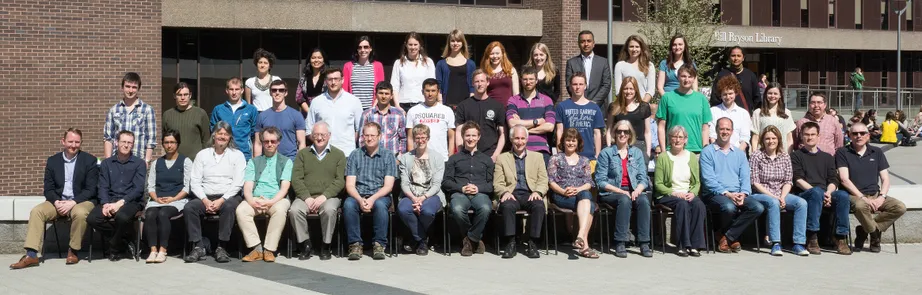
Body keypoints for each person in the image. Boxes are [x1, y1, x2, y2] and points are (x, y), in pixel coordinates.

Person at [10, 128, 98, 269]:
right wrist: (57, 202)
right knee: (37, 211)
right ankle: (31, 255)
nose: (73, 145)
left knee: (80, 213)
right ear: (63, 141)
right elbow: (48, 188)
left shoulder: (90, 161)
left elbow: (91, 189)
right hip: (58, 200)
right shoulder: (52, 161)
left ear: (81, 143)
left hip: (80, 201)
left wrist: (72, 203)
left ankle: (73, 251)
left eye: (77, 142)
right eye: (70, 141)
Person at [836, 122, 906, 253]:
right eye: (855, 133)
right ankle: (874, 236)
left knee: (899, 207)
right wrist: (862, 197)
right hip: (853, 196)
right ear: (849, 136)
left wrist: (882, 197)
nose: (859, 136)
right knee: (860, 206)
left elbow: (885, 179)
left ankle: (864, 230)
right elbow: (844, 180)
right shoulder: (842, 152)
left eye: (862, 133)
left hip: (875, 194)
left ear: (868, 136)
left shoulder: (877, 152)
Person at [183, 122, 246, 263]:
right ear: (214, 135)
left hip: (228, 196)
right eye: (219, 133)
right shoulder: (202, 155)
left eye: (226, 134)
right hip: (205, 196)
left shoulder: (237, 155)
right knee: (189, 207)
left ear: (230, 137)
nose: (222, 136)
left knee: (229, 207)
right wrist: (205, 200)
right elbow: (195, 181)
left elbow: (238, 183)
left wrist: (222, 200)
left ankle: (222, 247)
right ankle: (198, 246)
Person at [701, 118, 764, 253]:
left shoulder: (740, 154)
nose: (725, 132)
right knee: (729, 207)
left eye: (728, 129)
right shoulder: (707, 152)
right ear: (716, 130)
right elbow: (709, 180)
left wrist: (744, 193)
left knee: (757, 207)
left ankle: (726, 236)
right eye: (722, 129)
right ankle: (731, 237)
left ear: (732, 131)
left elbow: (745, 177)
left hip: (737, 193)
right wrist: (728, 194)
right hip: (715, 194)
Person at [791, 121, 852, 255]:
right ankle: (812, 236)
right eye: (806, 134)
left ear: (818, 136)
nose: (810, 137)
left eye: (813, 134)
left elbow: (833, 179)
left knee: (842, 195)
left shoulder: (827, 157)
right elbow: (798, 179)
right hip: (805, 193)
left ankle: (841, 237)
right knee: (816, 192)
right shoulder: (796, 156)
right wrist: (817, 192)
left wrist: (828, 193)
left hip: (825, 193)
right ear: (801, 136)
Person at [595, 120, 652, 258]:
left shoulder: (637, 153)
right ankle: (620, 241)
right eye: (619, 131)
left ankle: (644, 242)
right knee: (625, 200)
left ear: (630, 134)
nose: (622, 134)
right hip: (611, 191)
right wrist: (621, 191)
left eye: (625, 131)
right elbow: (600, 181)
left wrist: (638, 190)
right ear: (615, 133)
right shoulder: (606, 153)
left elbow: (643, 178)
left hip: (633, 189)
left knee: (643, 201)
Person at [289, 122, 345, 260]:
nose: (319, 138)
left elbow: (340, 181)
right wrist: (307, 197)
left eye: (323, 135)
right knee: (294, 210)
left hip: (329, 197)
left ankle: (326, 246)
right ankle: (306, 245)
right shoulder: (302, 154)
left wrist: (324, 197)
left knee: (330, 210)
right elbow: (296, 179)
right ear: (311, 136)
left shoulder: (338, 154)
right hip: (306, 196)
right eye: (316, 135)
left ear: (329, 136)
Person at [749, 126, 808, 256]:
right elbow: (755, 182)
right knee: (773, 203)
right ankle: (776, 243)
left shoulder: (785, 156)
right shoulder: (756, 156)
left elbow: (788, 181)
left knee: (801, 203)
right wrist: (775, 197)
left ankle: (798, 243)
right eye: (767, 138)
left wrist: (782, 196)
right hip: (761, 193)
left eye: (774, 138)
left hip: (781, 193)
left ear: (779, 140)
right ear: (762, 140)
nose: (771, 141)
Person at [88, 130, 146, 261]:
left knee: (122, 217)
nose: (126, 145)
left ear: (133, 145)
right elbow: (102, 186)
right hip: (110, 200)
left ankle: (114, 246)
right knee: (92, 219)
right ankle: (123, 240)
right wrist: (105, 204)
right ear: (116, 143)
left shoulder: (139, 163)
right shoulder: (106, 163)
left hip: (132, 201)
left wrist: (120, 203)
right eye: (123, 142)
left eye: (129, 143)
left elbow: (138, 189)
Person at [238, 127, 293, 263]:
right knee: (241, 210)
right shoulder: (253, 162)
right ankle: (256, 249)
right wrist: (252, 201)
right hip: (256, 198)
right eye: (266, 141)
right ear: (262, 142)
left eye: (273, 141)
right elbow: (248, 187)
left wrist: (271, 202)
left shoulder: (286, 162)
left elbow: (284, 188)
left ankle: (269, 249)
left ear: (278, 142)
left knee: (280, 210)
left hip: (277, 198)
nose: (269, 144)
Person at [344, 122, 398, 260]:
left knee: (380, 205)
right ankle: (355, 244)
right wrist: (360, 199)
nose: (369, 138)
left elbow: (388, 186)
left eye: (372, 135)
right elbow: (350, 185)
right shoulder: (355, 155)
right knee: (349, 205)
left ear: (379, 136)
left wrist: (372, 199)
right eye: (366, 135)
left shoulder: (388, 155)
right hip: (359, 193)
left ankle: (379, 244)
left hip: (380, 194)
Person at [493, 126, 548, 259]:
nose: (520, 141)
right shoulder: (502, 158)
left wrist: (538, 192)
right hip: (512, 193)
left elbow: (543, 180)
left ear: (527, 140)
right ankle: (511, 243)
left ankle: (532, 243)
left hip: (531, 193)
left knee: (539, 206)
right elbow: (497, 182)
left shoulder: (538, 157)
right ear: (511, 139)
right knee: (507, 206)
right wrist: (504, 192)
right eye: (517, 138)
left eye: (523, 138)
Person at [654, 125, 706, 257]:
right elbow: (658, 184)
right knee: (681, 205)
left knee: (699, 205)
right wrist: (674, 193)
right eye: (674, 137)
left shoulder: (692, 157)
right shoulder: (663, 157)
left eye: (680, 137)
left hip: (687, 193)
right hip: (669, 194)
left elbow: (696, 182)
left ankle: (695, 245)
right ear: (669, 139)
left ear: (685, 140)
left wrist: (693, 193)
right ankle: (683, 245)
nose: (677, 140)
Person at [444, 121, 494, 256]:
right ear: (463, 137)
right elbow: (446, 182)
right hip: (460, 194)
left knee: (485, 208)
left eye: (473, 135)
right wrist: (462, 188)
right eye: (467, 136)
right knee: (457, 209)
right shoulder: (454, 159)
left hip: (480, 194)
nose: (470, 139)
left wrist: (478, 188)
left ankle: (470, 240)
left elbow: (491, 184)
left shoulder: (487, 160)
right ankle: (475, 240)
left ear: (479, 137)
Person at [143, 130, 193, 263]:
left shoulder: (185, 161)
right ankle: (152, 250)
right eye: (166, 142)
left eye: (172, 142)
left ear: (178, 144)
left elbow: (187, 187)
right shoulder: (156, 163)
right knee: (150, 214)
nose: (169, 145)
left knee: (163, 214)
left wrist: (174, 199)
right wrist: (155, 198)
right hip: (157, 199)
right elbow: (151, 186)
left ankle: (163, 250)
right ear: (163, 144)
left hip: (177, 200)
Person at [547, 128, 598, 258]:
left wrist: (578, 189)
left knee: (586, 196)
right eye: (568, 140)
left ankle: (581, 239)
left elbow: (589, 183)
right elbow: (551, 181)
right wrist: (563, 191)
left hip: (580, 194)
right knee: (590, 204)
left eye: (573, 140)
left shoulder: (584, 160)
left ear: (578, 142)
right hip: (561, 196)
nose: (570, 143)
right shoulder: (555, 158)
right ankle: (584, 244)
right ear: (563, 142)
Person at [397, 124, 446, 256]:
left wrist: (423, 198)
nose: (420, 140)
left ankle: (415, 238)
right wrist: (414, 199)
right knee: (403, 209)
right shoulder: (406, 158)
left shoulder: (437, 157)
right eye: (417, 138)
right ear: (413, 139)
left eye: (423, 137)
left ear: (428, 138)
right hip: (410, 194)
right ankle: (422, 240)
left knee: (427, 211)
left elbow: (436, 184)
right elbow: (404, 183)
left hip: (431, 194)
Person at [306, 67, 365, 156]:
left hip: (346, 154)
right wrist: (320, 143)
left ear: (342, 80)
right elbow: (309, 129)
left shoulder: (354, 101)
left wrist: (350, 142)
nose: (333, 82)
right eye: (330, 79)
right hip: (322, 154)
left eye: (336, 79)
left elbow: (360, 129)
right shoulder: (316, 102)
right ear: (325, 81)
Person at [656, 64, 712, 153]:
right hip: (673, 150)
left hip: (696, 151)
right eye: (683, 76)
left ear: (694, 79)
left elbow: (705, 128)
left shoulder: (701, 99)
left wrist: (705, 151)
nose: (687, 80)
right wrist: (663, 151)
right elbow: (661, 127)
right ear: (678, 77)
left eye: (690, 77)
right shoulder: (667, 98)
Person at [507, 66, 557, 162]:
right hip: (519, 149)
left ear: (536, 80)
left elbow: (550, 126)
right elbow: (512, 124)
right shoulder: (513, 100)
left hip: (541, 150)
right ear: (521, 80)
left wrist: (522, 129)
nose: (528, 82)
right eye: (525, 79)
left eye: (531, 79)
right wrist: (536, 121)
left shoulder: (546, 100)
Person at [103, 72, 156, 163]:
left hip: (138, 160)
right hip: (117, 160)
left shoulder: (147, 110)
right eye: (127, 86)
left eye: (134, 87)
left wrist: (146, 161)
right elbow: (108, 138)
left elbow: (151, 139)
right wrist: (108, 162)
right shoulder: (113, 110)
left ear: (138, 89)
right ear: (122, 87)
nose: (130, 90)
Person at [455, 69, 506, 161]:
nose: (480, 84)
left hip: (490, 155)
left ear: (488, 82)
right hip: (468, 155)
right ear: (472, 84)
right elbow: (459, 131)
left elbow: (502, 133)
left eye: (482, 81)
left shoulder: (497, 106)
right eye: (477, 81)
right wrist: (460, 154)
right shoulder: (463, 105)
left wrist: (496, 155)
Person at [556, 73, 605, 163]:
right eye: (575, 84)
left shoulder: (594, 108)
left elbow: (597, 133)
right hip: (568, 156)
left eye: (581, 84)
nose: (577, 87)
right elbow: (560, 131)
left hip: (589, 157)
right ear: (570, 86)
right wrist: (559, 154)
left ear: (585, 86)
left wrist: (598, 155)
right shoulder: (562, 107)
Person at [254, 80, 306, 160]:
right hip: (267, 162)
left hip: (290, 161)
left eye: (281, 90)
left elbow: (301, 143)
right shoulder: (262, 116)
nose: (277, 93)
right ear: (270, 93)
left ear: (286, 93)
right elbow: (258, 143)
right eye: (274, 90)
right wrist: (257, 164)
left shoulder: (296, 115)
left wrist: (299, 163)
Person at [407, 78, 456, 160]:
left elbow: (451, 137)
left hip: (441, 159)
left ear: (438, 92)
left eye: (433, 91)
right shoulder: (413, 111)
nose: (430, 94)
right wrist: (412, 159)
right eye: (427, 90)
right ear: (422, 92)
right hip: (419, 158)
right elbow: (410, 138)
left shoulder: (447, 111)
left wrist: (450, 158)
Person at [211, 77, 259, 160]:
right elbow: (213, 132)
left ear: (242, 90)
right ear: (227, 90)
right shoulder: (218, 109)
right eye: (231, 89)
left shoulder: (251, 110)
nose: (234, 92)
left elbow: (254, 134)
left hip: (244, 154)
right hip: (223, 154)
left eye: (237, 89)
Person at [162, 82, 210, 161]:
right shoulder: (167, 115)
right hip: (174, 161)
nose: (183, 98)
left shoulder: (200, 114)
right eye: (179, 95)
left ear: (190, 95)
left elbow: (206, 140)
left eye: (185, 94)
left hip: (196, 161)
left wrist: (204, 159)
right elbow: (165, 139)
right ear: (174, 96)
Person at [566, 30, 611, 109]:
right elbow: (569, 84)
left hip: (598, 106)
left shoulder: (603, 62)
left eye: (589, 41)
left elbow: (606, 85)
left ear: (593, 43)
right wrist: (581, 101)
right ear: (578, 44)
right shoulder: (571, 63)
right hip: (577, 106)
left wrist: (594, 102)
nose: (586, 44)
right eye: (583, 41)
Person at [359, 81, 407, 155]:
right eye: (381, 93)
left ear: (391, 96)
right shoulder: (367, 114)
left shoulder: (399, 114)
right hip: (372, 156)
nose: (383, 96)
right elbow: (361, 137)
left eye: (387, 94)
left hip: (393, 156)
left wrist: (400, 158)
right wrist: (365, 155)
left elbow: (403, 138)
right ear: (376, 95)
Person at [609, 76, 652, 159]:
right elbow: (609, 130)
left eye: (631, 89)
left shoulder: (644, 107)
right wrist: (609, 147)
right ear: (622, 90)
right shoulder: (614, 107)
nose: (628, 91)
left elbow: (647, 132)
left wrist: (648, 152)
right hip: (619, 146)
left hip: (639, 146)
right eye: (625, 89)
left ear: (636, 90)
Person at [391, 32, 436, 110]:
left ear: (420, 45)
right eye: (410, 44)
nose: (413, 47)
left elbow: (432, 85)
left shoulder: (428, 62)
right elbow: (394, 86)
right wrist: (397, 106)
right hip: (403, 105)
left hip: (423, 105)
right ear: (406, 45)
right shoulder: (398, 63)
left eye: (415, 44)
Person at [710, 46, 760, 112]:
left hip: (745, 116)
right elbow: (715, 98)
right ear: (729, 58)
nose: (736, 58)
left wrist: (753, 114)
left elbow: (757, 98)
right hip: (726, 116)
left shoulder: (750, 75)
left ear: (743, 58)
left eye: (739, 56)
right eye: (733, 55)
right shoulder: (722, 75)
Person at [435, 29, 477, 108]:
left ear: (463, 43)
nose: (455, 43)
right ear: (449, 43)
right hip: (446, 105)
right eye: (453, 41)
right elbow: (439, 86)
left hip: (466, 105)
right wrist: (440, 103)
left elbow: (472, 86)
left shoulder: (471, 64)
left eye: (458, 41)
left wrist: (471, 104)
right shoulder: (441, 64)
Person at [708, 75, 751, 151]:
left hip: (738, 154)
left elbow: (745, 138)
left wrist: (736, 155)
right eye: (725, 94)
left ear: (736, 93)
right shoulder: (713, 111)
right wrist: (720, 152)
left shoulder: (743, 113)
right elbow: (712, 135)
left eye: (730, 93)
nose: (728, 97)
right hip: (718, 153)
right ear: (720, 95)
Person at [343, 36, 386, 110]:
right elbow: (344, 90)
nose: (363, 50)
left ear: (370, 49)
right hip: (353, 109)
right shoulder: (348, 66)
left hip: (372, 109)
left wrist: (374, 107)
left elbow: (381, 89)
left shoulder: (378, 66)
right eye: (360, 47)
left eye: (366, 47)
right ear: (357, 49)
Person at [751, 83, 796, 152]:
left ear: (780, 95)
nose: (772, 96)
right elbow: (755, 137)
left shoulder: (786, 113)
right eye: (770, 93)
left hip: (781, 155)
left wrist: (787, 156)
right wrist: (755, 154)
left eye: (775, 93)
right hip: (762, 154)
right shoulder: (758, 113)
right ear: (765, 94)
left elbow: (789, 138)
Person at [613, 35, 655, 103]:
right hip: (625, 106)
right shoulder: (620, 65)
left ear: (641, 48)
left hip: (643, 106)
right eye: (631, 46)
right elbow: (618, 91)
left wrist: (642, 106)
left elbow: (651, 90)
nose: (634, 49)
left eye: (637, 47)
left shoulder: (649, 65)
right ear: (627, 48)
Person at [480, 41, 519, 108]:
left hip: (508, 109)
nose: (495, 56)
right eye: (492, 54)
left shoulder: (511, 70)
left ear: (502, 54)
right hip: (490, 109)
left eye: (497, 53)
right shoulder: (484, 72)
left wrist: (516, 108)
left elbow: (516, 93)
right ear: (488, 55)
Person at [245, 48, 282, 112]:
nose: (262, 65)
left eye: (265, 63)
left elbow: (281, 101)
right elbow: (248, 105)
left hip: (273, 114)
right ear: (256, 64)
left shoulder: (276, 80)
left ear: (269, 66)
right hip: (256, 116)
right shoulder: (249, 82)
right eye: (260, 62)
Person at [295, 48, 328, 115]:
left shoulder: (329, 77)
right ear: (309, 60)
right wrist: (310, 112)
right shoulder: (304, 79)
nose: (316, 60)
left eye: (319, 58)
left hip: (326, 114)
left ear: (323, 60)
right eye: (313, 58)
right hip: (308, 115)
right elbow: (299, 98)